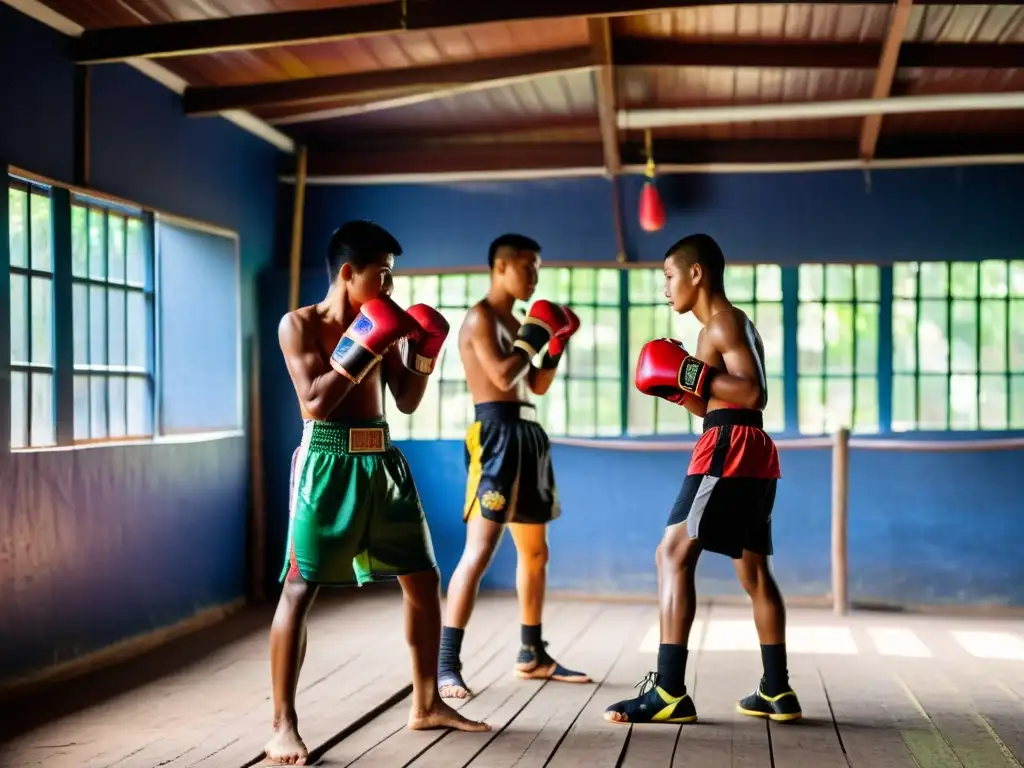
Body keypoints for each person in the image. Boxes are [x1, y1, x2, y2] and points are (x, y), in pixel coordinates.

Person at [266, 220, 490, 766]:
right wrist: (365, 342)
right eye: (383, 275)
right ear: (349, 272)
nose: (390, 288)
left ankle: (427, 703)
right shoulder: (298, 325)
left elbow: (407, 400)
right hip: (326, 460)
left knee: (423, 578)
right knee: (300, 588)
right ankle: (282, 726)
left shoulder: (382, 323)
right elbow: (315, 403)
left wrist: (422, 348)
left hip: (382, 460)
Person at [604, 233, 801, 726]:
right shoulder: (719, 328)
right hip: (749, 446)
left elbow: (752, 393)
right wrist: (674, 386)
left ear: (696, 273)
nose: (664, 288)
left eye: (669, 276)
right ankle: (776, 690)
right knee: (753, 572)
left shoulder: (723, 322)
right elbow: (713, 400)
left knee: (671, 553)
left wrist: (690, 370)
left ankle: (668, 690)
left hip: (729, 445)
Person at [437, 234, 591, 699]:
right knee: (480, 550)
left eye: (538, 268)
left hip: (528, 433)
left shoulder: (519, 321)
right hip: (496, 435)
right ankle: (446, 664)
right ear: (500, 266)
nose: (535, 277)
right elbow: (503, 375)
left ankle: (531, 654)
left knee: (536, 553)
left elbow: (536, 384)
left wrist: (556, 342)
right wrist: (536, 335)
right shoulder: (480, 318)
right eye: (528, 267)